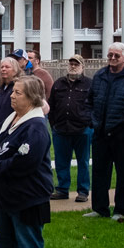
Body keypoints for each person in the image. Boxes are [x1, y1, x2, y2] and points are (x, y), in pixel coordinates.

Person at [0, 76, 54, 248]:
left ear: (32, 98)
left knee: (28, 239)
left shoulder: (36, 127)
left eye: (17, 93)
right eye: (13, 91)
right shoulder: (10, 119)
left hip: (28, 195)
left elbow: (26, 161)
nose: (12, 96)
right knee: (6, 238)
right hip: (5, 194)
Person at [85, 42, 124, 222]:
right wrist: (92, 120)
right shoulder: (100, 75)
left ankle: (121, 210)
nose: (112, 58)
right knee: (99, 172)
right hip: (100, 132)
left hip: (122, 134)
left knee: (122, 173)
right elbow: (89, 101)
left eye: (116, 56)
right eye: (110, 55)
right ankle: (100, 209)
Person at [47, 54, 92, 203]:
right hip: (61, 129)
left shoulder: (89, 84)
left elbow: (94, 105)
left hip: (82, 130)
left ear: (82, 67)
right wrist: (53, 124)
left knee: (83, 162)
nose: (73, 66)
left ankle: (83, 191)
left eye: (76, 64)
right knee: (61, 162)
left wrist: (88, 122)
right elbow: (51, 105)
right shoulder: (58, 84)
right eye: (71, 64)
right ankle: (62, 189)